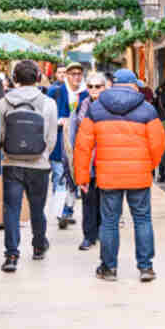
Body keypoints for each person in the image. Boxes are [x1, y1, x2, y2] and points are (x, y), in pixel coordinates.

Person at [73, 69, 165, 282]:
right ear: (134, 85)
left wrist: (82, 177)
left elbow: (82, 145)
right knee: (142, 219)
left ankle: (109, 268)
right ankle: (145, 267)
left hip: (108, 177)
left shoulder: (96, 108)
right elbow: (158, 143)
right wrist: (149, 165)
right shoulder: (147, 109)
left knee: (109, 222)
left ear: (113, 84)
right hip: (139, 176)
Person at [0, 60, 59, 273]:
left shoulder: (4, 102)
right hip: (39, 164)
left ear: (15, 79)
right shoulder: (48, 103)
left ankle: (11, 254)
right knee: (37, 207)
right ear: (38, 77)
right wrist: (42, 154)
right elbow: (51, 137)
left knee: (11, 209)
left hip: (12, 163)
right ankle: (39, 245)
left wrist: (7, 151)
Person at [67, 71, 108, 251]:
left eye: (97, 86)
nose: (93, 89)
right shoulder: (81, 106)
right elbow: (73, 135)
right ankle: (88, 236)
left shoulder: (110, 107)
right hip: (87, 159)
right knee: (88, 199)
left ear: (104, 87)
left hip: (106, 159)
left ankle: (100, 231)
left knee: (104, 200)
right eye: (90, 86)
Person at [46, 61, 87, 230]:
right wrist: (58, 121)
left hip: (80, 144)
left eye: (79, 74)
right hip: (59, 144)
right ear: (66, 76)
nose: (76, 77)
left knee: (74, 179)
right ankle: (61, 211)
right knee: (59, 176)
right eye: (73, 74)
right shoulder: (55, 92)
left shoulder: (86, 93)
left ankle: (68, 209)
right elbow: (46, 115)